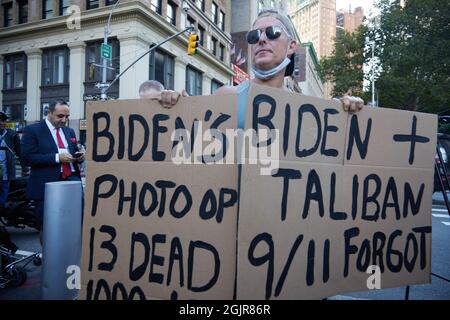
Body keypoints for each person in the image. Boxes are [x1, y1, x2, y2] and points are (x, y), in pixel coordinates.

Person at [156, 9, 364, 115]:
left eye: (272, 33)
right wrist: (174, 106)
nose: (262, 39)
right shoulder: (226, 96)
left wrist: (346, 114)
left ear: (292, 46)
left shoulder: (309, 109)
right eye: (254, 36)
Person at [21, 100, 85, 230]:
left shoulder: (69, 131)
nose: (64, 120)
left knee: (75, 222)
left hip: (72, 180)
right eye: (60, 116)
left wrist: (79, 156)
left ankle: (70, 250)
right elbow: (27, 158)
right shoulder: (32, 130)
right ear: (49, 113)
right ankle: (49, 251)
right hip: (47, 184)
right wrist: (57, 158)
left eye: (67, 116)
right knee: (47, 226)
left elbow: (72, 152)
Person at [0, 111, 27, 209]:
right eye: (0, 121)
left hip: (6, 172)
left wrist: (24, 168)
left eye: (3, 120)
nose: (2, 123)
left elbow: (20, 153)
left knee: (4, 196)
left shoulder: (12, 135)